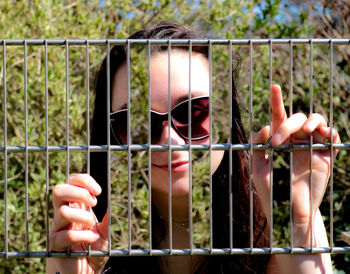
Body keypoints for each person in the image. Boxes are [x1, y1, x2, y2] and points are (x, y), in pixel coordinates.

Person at [46, 21, 340, 273]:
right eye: (136, 124)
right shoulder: (80, 235)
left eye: (194, 113)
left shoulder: (276, 217)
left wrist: (299, 223)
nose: (168, 140)